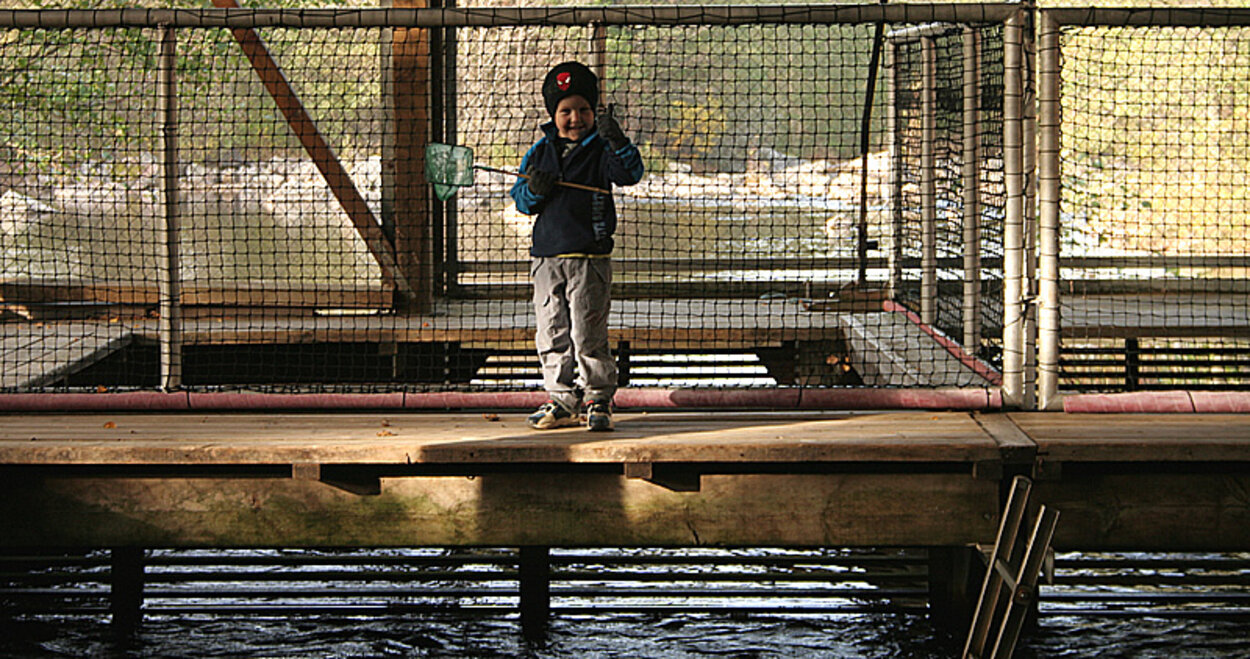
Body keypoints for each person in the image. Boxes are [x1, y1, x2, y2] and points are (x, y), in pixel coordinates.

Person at [510, 61, 645, 431]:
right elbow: (521, 200)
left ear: (595, 111)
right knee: (551, 331)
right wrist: (535, 189)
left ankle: (598, 397)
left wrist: (618, 141)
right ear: (553, 114)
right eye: (565, 111)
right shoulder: (539, 152)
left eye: (583, 110)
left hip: (590, 259)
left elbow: (630, 175)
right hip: (546, 260)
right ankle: (561, 398)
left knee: (588, 332)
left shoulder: (604, 149)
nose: (575, 118)